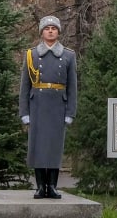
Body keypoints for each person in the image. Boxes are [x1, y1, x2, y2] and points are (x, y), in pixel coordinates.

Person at [19, 16, 78, 199]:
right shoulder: (32, 55)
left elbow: (72, 86)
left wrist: (70, 112)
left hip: (57, 106)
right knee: (37, 146)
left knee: (54, 146)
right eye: (47, 28)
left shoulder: (68, 55)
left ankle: (52, 186)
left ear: (58, 32)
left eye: (54, 28)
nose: (50, 31)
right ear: (41, 32)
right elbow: (25, 86)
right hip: (37, 105)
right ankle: (39, 186)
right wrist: (24, 112)